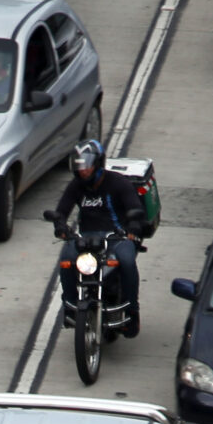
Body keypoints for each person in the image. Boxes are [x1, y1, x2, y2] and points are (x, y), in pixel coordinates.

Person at [48, 141, 144, 336]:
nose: (83, 171)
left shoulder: (118, 183)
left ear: (98, 164)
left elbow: (135, 208)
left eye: (88, 166)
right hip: (85, 238)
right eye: (80, 167)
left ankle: (132, 311)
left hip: (117, 237)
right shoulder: (75, 186)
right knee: (66, 261)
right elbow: (62, 211)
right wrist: (60, 226)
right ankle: (70, 306)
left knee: (126, 262)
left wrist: (133, 228)